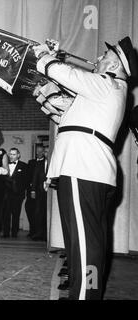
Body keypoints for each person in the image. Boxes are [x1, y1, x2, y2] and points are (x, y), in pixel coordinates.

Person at [33, 36, 137, 300]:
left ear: (114, 64)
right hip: (82, 169)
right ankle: (84, 293)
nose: (98, 59)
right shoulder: (104, 91)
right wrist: (47, 99)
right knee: (82, 244)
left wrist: (46, 58)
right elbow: (68, 119)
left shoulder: (109, 83)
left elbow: (69, 75)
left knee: (85, 245)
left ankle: (84, 296)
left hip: (84, 169)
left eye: (104, 57)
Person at [1, 147, 28, 238]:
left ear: (18, 155)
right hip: (6, 194)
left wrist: (21, 191)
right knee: (6, 214)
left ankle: (14, 233)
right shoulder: (4, 164)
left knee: (16, 214)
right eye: (10, 154)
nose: (11, 156)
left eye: (14, 154)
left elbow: (26, 181)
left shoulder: (24, 166)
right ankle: (5, 233)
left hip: (18, 195)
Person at [25, 145, 46, 238]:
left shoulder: (46, 163)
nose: (39, 153)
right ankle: (32, 230)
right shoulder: (31, 162)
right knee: (29, 210)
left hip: (41, 191)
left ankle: (39, 232)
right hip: (31, 191)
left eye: (41, 151)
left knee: (39, 212)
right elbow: (28, 176)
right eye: (38, 151)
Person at [29, 147, 48, 241]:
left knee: (47, 213)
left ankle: (47, 235)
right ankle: (38, 233)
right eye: (46, 152)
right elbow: (35, 177)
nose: (47, 153)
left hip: (51, 193)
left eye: (49, 151)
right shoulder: (39, 163)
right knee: (38, 213)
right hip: (39, 192)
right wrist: (33, 190)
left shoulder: (54, 163)